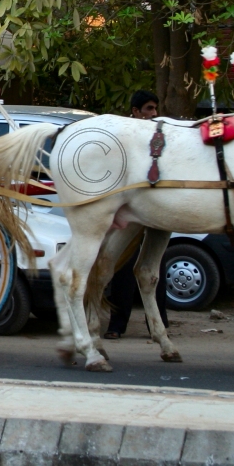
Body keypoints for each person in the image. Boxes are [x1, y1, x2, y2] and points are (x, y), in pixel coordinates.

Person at [103, 89, 163, 339]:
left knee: (155, 264)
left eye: (155, 109)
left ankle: (158, 324)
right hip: (128, 208)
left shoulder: (161, 137)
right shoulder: (124, 137)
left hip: (157, 207)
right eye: (148, 109)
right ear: (135, 111)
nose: (154, 114)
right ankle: (117, 326)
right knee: (123, 267)